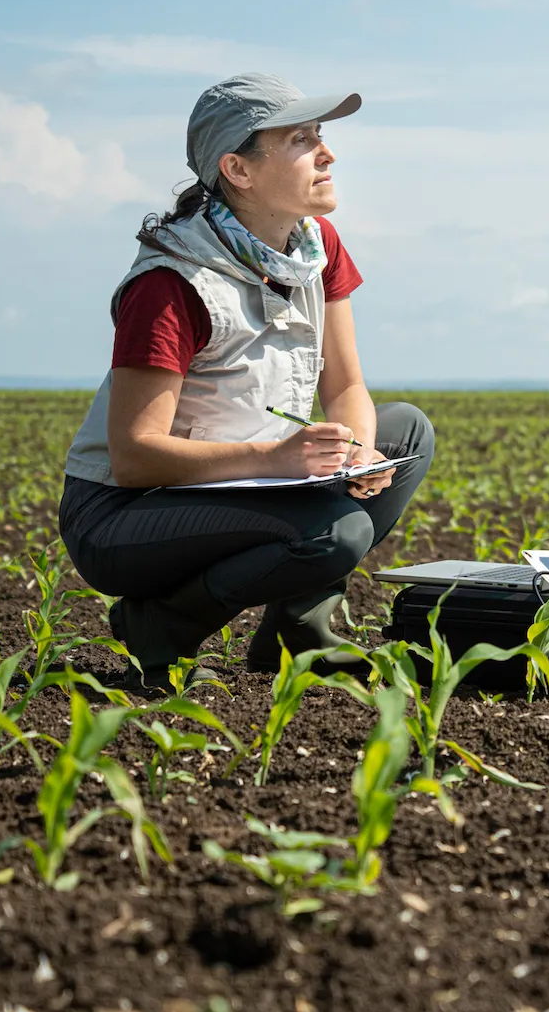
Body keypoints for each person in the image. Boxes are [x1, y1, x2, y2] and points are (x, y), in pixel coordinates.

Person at [58, 73, 435, 690]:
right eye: (301, 140)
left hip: (246, 482)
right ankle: (161, 627)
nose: (328, 154)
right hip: (124, 517)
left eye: (320, 135)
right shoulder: (170, 284)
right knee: (337, 533)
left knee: (405, 433)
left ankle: (298, 632)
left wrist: (360, 452)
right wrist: (276, 458)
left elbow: (346, 387)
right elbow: (133, 457)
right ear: (238, 169)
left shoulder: (315, 245)